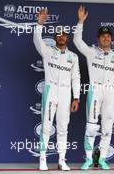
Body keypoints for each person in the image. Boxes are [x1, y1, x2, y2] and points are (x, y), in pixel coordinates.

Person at [73, 5, 114, 170]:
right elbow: (77, 41)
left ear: (111, 39)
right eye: (103, 36)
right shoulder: (91, 52)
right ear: (98, 38)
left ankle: (103, 157)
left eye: (108, 36)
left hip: (110, 92)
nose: (106, 38)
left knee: (107, 126)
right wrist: (80, 22)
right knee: (91, 126)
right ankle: (89, 158)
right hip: (95, 90)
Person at [33, 9, 80, 171]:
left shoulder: (73, 57)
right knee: (46, 126)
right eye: (58, 35)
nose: (61, 37)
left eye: (64, 35)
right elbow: (37, 41)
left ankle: (61, 160)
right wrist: (39, 24)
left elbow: (76, 78)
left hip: (66, 94)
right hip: (51, 90)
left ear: (67, 38)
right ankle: (43, 159)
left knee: (62, 127)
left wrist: (76, 98)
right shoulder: (47, 51)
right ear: (55, 38)